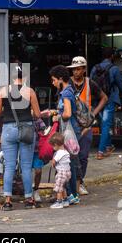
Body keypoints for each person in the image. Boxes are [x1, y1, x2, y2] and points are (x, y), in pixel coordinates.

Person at [0, 65, 41, 211]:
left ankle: (7, 201)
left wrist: (6, 110)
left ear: (12, 78)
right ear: (24, 77)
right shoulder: (30, 91)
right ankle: (28, 199)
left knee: (9, 166)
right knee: (26, 166)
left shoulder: (3, 90)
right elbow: (38, 114)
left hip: (8, 129)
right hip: (26, 128)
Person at [67, 56, 108, 195]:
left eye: (78, 69)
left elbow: (104, 98)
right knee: (71, 155)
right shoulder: (67, 83)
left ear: (84, 70)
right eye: (74, 69)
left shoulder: (90, 83)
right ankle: (71, 183)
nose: (76, 72)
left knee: (83, 155)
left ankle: (80, 181)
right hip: (71, 124)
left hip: (86, 124)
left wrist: (94, 114)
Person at [48, 65, 81, 205]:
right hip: (70, 130)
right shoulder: (69, 91)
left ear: (61, 79)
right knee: (70, 163)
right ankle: (70, 194)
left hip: (69, 132)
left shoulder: (66, 93)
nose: (53, 82)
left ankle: (71, 195)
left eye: (54, 80)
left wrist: (57, 116)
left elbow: (67, 113)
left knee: (67, 164)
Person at [90, 48, 122, 160]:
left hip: (98, 100)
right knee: (106, 125)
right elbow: (121, 86)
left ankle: (108, 146)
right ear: (112, 56)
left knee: (103, 124)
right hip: (109, 100)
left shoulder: (94, 68)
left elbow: (91, 84)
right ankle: (100, 151)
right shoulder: (114, 69)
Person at [49, 132, 71, 209]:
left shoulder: (59, 153)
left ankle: (59, 202)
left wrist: (53, 164)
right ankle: (65, 200)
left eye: (52, 146)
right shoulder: (65, 151)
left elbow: (54, 161)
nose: (52, 148)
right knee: (63, 187)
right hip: (67, 172)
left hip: (61, 172)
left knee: (59, 188)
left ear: (55, 144)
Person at [32, 118, 47, 203]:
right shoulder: (22, 118)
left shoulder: (38, 120)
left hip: (37, 150)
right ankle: (27, 192)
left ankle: (36, 190)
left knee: (38, 171)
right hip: (25, 150)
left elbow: (44, 131)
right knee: (24, 172)